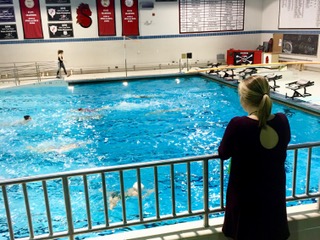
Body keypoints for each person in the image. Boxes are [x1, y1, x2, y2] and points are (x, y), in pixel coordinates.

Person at [218, 75, 291, 240]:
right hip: (273, 196)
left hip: (246, 200)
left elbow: (223, 153)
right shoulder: (282, 121)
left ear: (244, 100)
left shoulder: (238, 125)